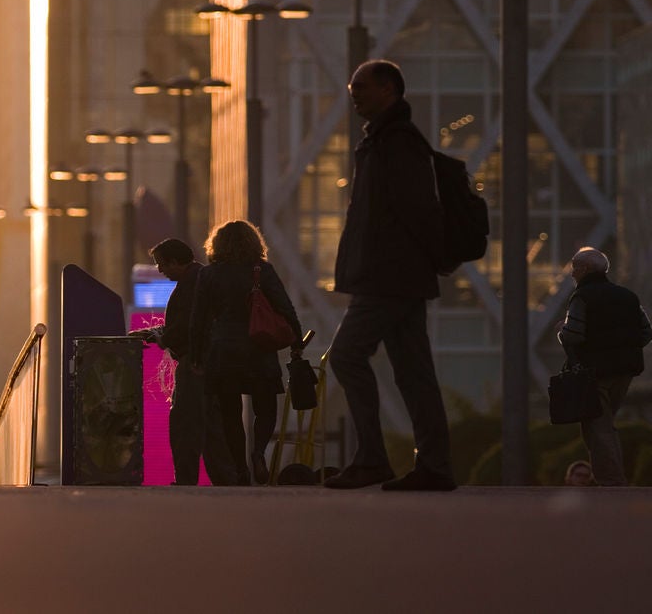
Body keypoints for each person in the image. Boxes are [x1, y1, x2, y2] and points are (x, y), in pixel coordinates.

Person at [326, 59, 454, 492]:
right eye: (351, 88)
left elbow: (418, 208)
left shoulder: (397, 143)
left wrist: (435, 257)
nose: (354, 95)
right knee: (414, 372)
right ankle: (434, 466)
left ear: (388, 90)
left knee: (346, 355)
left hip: (388, 276)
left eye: (361, 87)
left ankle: (371, 458)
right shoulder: (383, 141)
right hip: (397, 276)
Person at [188, 220, 300, 486]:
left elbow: (198, 319)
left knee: (230, 412)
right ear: (253, 243)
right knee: (265, 408)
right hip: (259, 347)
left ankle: (240, 468)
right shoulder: (262, 271)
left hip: (223, 350)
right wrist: (296, 342)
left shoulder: (209, 274)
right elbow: (286, 308)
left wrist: (195, 356)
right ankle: (259, 452)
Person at [556, 246, 652, 487]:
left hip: (594, 372)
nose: (571, 273)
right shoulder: (628, 296)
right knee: (604, 424)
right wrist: (623, 348)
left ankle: (612, 481)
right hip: (626, 370)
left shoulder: (582, 297)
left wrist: (561, 332)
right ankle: (611, 477)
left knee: (598, 427)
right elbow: (647, 334)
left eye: (574, 267)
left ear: (585, 269)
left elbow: (574, 335)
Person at [133, 237, 204, 486]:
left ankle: (186, 479)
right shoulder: (196, 278)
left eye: (162, 264)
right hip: (199, 362)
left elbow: (185, 325)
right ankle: (224, 478)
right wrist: (154, 333)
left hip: (193, 364)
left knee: (183, 423)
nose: (160, 271)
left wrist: (161, 337)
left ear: (175, 261)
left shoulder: (192, 283)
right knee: (205, 426)